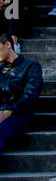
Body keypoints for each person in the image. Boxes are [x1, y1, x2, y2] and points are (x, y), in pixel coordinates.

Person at [0, 31, 43, 160]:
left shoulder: (31, 67)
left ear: (8, 44)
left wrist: (8, 111)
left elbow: (30, 96)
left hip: (18, 113)